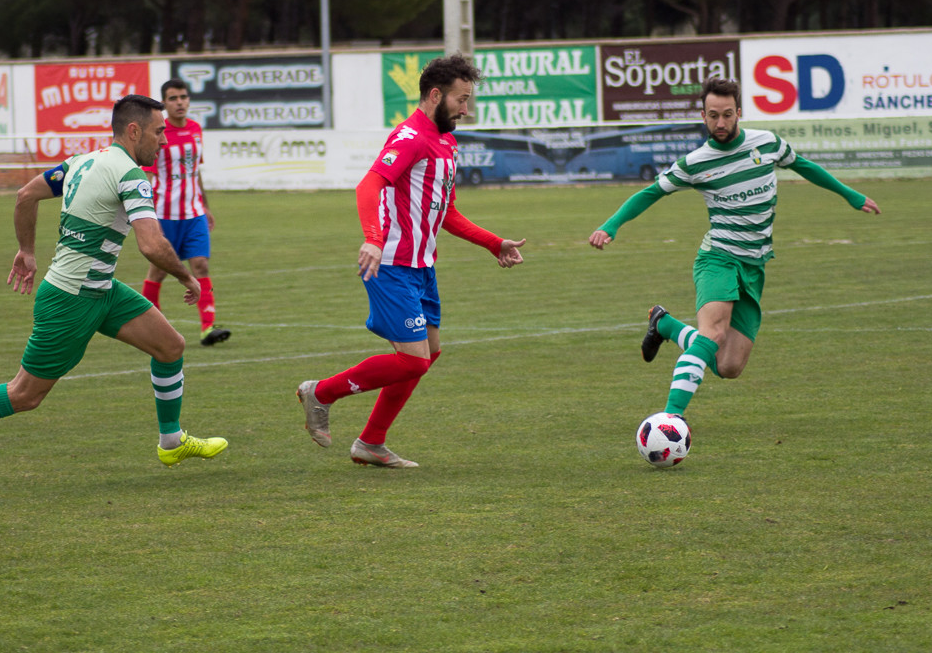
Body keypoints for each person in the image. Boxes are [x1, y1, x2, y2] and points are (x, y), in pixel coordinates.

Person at [0, 95, 227, 493]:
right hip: (71, 299)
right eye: (159, 132)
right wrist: (185, 277)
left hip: (101, 289)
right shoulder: (130, 175)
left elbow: (25, 195)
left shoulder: (82, 161)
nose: (164, 140)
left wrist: (26, 250)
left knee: (171, 346)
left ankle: (171, 443)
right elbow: (152, 245)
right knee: (25, 395)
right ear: (134, 130)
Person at [588, 77, 881, 419]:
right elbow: (650, 193)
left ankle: (665, 325)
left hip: (754, 266)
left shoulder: (767, 143)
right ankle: (670, 420)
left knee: (728, 366)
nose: (721, 123)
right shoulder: (695, 162)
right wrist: (610, 225)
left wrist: (851, 195)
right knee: (712, 332)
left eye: (728, 114)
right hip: (718, 258)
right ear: (703, 116)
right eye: (713, 116)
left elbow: (804, 166)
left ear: (739, 112)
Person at [296, 53, 526, 468]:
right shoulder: (410, 137)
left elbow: (448, 213)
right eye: (460, 99)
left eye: (469, 100)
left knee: (427, 354)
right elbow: (368, 185)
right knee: (413, 358)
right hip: (390, 265)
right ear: (435, 95)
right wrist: (372, 239)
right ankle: (321, 393)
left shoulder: (446, 142)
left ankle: (370, 443)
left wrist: (494, 243)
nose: (465, 109)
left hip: (422, 267)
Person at [140, 78, 230, 346]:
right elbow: (147, 174)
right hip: (165, 215)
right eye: (173, 98)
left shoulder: (195, 129)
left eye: (183, 97)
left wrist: (206, 206)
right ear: (164, 103)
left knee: (200, 265)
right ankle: (148, 327)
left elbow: (195, 171)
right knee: (158, 272)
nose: (180, 102)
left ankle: (208, 328)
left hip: (194, 214)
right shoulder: (157, 132)